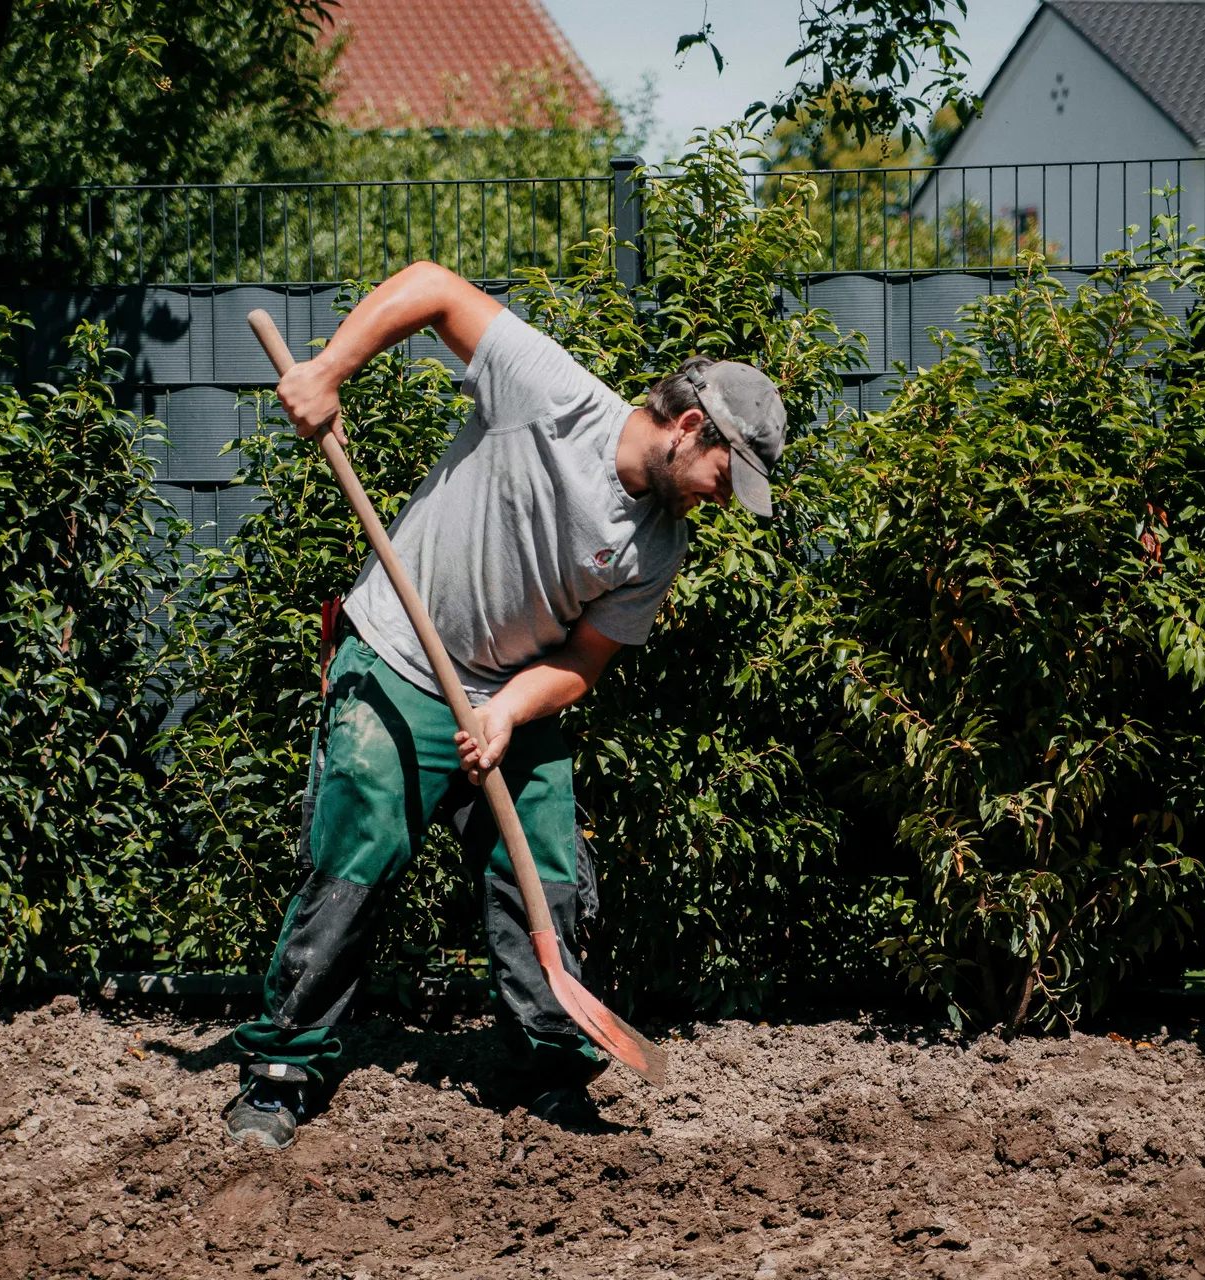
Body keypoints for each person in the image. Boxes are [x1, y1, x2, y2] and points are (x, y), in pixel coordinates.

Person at [222, 260, 788, 1148]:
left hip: (510, 694)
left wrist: (508, 713)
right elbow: (432, 287)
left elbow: (585, 659)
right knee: (357, 850)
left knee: (546, 871)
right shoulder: (552, 394)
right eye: (727, 473)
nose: (722, 497)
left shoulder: (658, 547)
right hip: (399, 655)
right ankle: (282, 1070)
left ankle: (549, 1076)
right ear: (689, 427)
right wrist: (328, 371)